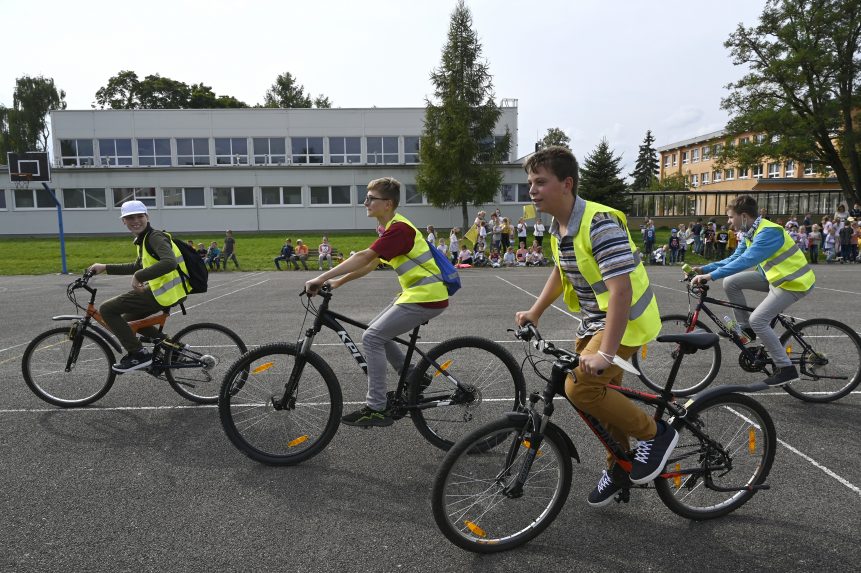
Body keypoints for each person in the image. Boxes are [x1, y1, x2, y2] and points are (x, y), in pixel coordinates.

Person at [515, 146, 673, 507]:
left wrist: (606, 352)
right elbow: (561, 270)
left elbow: (621, 291)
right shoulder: (560, 225)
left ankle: (656, 433)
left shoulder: (599, 223)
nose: (532, 190)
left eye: (541, 182)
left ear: (567, 183)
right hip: (593, 322)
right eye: (530, 183)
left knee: (581, 389)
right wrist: (535, 311)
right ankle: (620, 466)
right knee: (604, 397)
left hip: (625, 321)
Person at [305, 177, 448, 427]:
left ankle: (376, 407)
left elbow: (364, 256)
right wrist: (337, 283)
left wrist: (322, 276)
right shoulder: (387, 229)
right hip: (416, 293)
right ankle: (414, 375)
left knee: (371, 337)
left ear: (388, 203)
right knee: (377, 329)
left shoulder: (400, 229)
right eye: (366, 197)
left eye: (371, 198)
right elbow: (371, 263)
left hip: (427, 295)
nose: (365, 202)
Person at [691, 194, 815, 386]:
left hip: (793, 282)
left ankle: (786, 368)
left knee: (758, 319)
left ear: (744, 216)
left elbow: (746, 261)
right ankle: (745, 330)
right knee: (730, 282)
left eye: (731, 217)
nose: (729, 221)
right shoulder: (750, 232)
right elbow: (734, 257)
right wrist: (705, 269)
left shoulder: (768, 232)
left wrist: (710, 277)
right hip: (774, 278)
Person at [87, 200, 190, 373]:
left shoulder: (155, 237)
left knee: (107, 309)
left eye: (139, 216)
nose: (136, 220)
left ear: (147, 217)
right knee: (128, 321)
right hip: (166, 291)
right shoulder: (143, 240)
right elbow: (138, 266)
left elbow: (169, 262)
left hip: (162, 292)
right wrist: (105, 267)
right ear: (123, 221)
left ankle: (138, 354)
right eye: (130, 217)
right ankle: (175, 349)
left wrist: (139, 276)